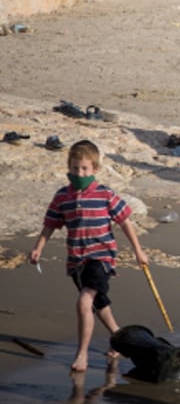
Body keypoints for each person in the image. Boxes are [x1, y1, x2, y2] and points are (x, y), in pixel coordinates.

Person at [28, 139, 150, 373]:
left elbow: (124, 221)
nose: (79, 173)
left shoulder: (105, 194)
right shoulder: (63, 196)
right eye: (75, 168)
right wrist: (38, 247)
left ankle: (81, 354)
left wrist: (138, 250)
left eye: (84, 169)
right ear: (69, 167)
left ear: (94, 169)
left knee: (84, 302)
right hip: (76, 260)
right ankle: (119, 339)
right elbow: (50, 224)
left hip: (101, 257)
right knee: (98, 303)